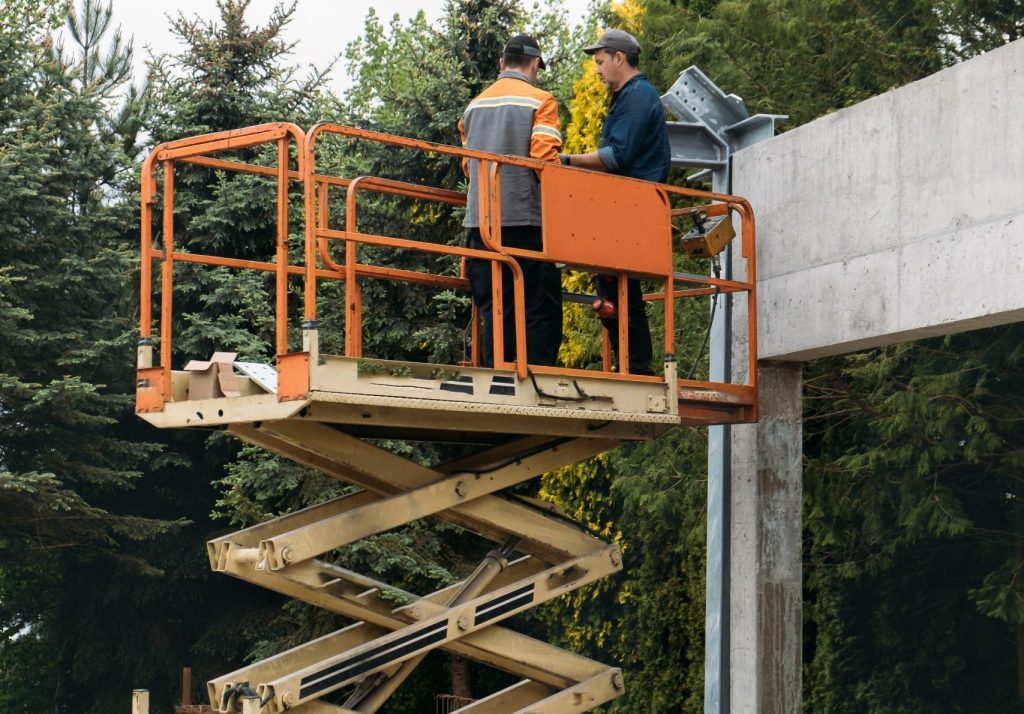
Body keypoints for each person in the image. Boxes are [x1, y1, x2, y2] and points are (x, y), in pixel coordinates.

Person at [560, 29, 670, 376]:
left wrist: (566, 161)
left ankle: (637, 366)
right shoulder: (629, 97)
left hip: (631, 206)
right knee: (613, 293)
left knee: (620, 292)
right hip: (622, 206)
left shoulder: (638, 97)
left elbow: (618, 156)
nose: (597, 69)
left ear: (619, 58)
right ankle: (631, 364)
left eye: (600, 61)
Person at [458, 34, 564, 368]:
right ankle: (539, 384)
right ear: (534, 65)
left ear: (502, 64)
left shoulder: (473, 107)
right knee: (538, 307)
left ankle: (498, 378)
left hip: (480, 226)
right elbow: (544, 159)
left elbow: (467, 166)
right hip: (525, 222)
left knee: (495, 310)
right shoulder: (541, 101)